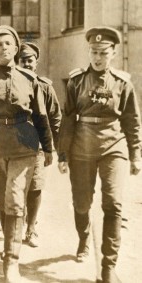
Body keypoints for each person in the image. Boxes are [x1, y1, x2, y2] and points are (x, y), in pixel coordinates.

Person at [58, 26, 141, 283]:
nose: (97, 57)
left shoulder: (123, 83)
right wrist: (63, 154)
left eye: (103, 53)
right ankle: (84, 238)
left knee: (113, 203)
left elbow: (131, 120)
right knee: (82, 203)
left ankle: (108, 266)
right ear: (89, 51)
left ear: (113, 53)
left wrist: (135, 154)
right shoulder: (76, 80)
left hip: (114, 147)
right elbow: (69, 119)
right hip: (82, 147)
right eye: (94, 52)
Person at [0, 25, 53, 283]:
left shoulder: (30, 80)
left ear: (16, 48)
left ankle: (11, 261)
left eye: (8, 43)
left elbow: (41, 117)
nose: (3, 48)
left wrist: (49, 147)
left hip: (24, 145)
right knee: (1, 202)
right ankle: (10, 244)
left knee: (16, 201)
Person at [18, 42, 62, 247]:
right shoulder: (13, 82)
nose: (26, 63)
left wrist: (55, 146)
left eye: (30, 60)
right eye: (22, 60)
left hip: (37, 144)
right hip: (14, 143)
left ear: (36, 62)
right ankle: (17, 224)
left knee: (35, 187)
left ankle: (31, 228)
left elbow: (55, 117)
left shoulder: (45, 86)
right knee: (18, 187)